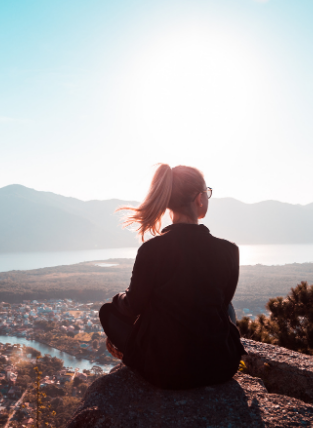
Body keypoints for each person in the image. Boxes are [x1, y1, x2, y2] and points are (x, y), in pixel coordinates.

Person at [99, 164, 246, 390]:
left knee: (107, 312)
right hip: (221, 365)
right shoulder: (229, 251)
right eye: (207, 193)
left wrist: (118, 298)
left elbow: (133, 305)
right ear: (199, 199)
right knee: (227, 307)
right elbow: (223, 304)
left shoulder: (151, 250)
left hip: (165, 370)